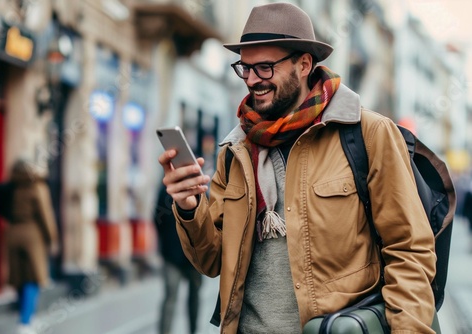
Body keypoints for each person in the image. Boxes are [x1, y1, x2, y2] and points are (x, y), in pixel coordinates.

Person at [158, 3, 436, 333]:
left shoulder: (367, 134)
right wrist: (189, 208)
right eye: (244, 68)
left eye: (264, 68)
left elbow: (409, 252)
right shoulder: (236, 152)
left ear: (304, 64)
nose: (252, 80)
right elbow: (212, 261)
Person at [5, 159, 59, 334]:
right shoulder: (37, 187)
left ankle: (24, 316)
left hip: (13, 232)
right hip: (32, 235)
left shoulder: (12, 187)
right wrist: (52, 239)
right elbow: (45, 216)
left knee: (20, 277)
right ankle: (25, 321)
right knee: (33, 278)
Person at [154, 184, 203, 334]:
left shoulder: (198, 188)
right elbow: (157, 219)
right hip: (173, 255)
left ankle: (192, 330)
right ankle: (166, 331)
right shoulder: (166, 189)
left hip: (193, 256)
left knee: (191, 296)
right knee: (173, 295)